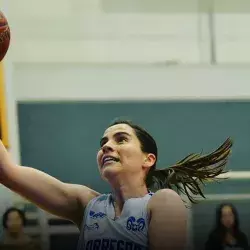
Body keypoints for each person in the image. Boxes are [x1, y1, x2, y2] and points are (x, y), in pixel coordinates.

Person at [0, 119, 233, 250]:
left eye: (121, 139)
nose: (106, 146)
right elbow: (6, 172)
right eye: (103, 143)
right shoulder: (86, 204)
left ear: (148, 159)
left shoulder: (163, 202)